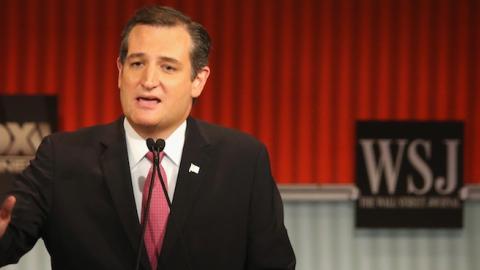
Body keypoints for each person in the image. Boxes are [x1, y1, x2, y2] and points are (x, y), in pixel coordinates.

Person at [0, 5, 295, 270]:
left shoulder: (243, 160)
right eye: (137, 64)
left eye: (168, 67)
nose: (148, 81)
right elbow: (8, 237)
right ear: (120, 71)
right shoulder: (61, 157)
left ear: (198, 80)